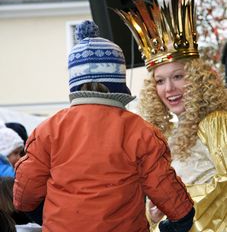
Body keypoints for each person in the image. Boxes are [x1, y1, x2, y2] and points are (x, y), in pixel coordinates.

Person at [13, 20, 195, 232]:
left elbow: (24, 197)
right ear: (118, 79)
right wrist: (181, 218)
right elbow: (163, 185)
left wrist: (46, 215)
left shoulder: (48, 130)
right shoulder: (140, 131)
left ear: (74, 81)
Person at [116, 0, 227, 231]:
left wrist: (178, 205)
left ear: (197, 79)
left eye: (178, 76)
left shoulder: (216, 122)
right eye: (160, 81)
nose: (169, 89)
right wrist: (154, 212)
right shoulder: (166, 135)